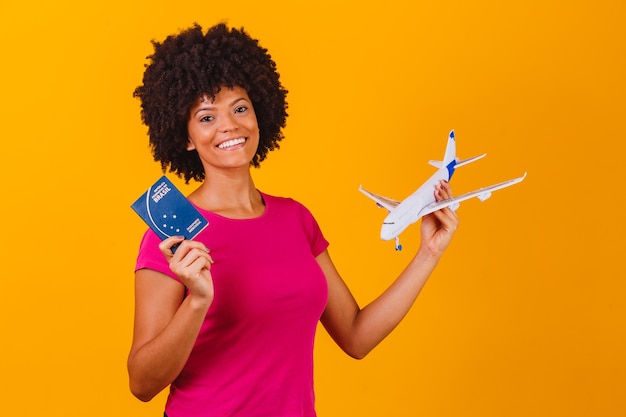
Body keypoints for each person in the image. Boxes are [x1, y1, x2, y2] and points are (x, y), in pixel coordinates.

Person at [128, 23, 459, 417]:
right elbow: (142, 383)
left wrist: (428, 253)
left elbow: (356, 336)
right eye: (206, 117)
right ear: (184, 137)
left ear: (258, 114)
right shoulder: (171, 235)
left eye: (239, 108)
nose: (229, 125)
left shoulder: (295, 219)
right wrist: (197, 300)